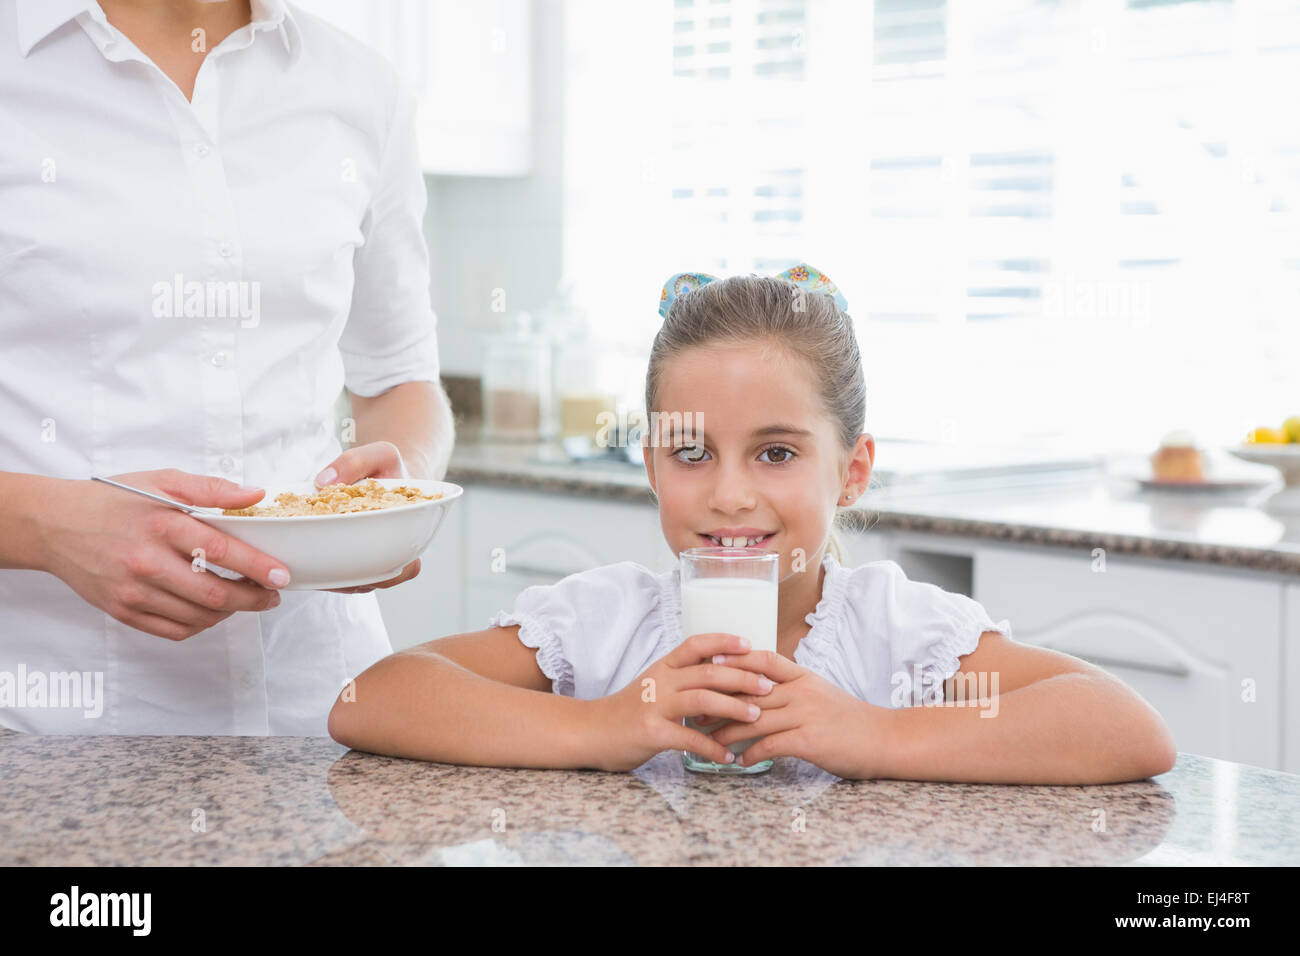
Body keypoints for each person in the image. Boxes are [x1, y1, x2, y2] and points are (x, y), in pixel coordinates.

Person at [328, 267, 1176, 783]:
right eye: (692, 454)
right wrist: (594, 726)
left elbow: (1124, 726)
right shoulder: (605, 624)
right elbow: (370, 699)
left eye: (775, 454)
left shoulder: (896, 633)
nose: (730, 496)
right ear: (653, 467)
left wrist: (876, 733)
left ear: (851, 471)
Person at [0, 0, 454, 735]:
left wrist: (395, 496)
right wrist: (47, 529)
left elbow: (402, 376)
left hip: (327, 715)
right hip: (51, 729)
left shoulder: (361, 87)